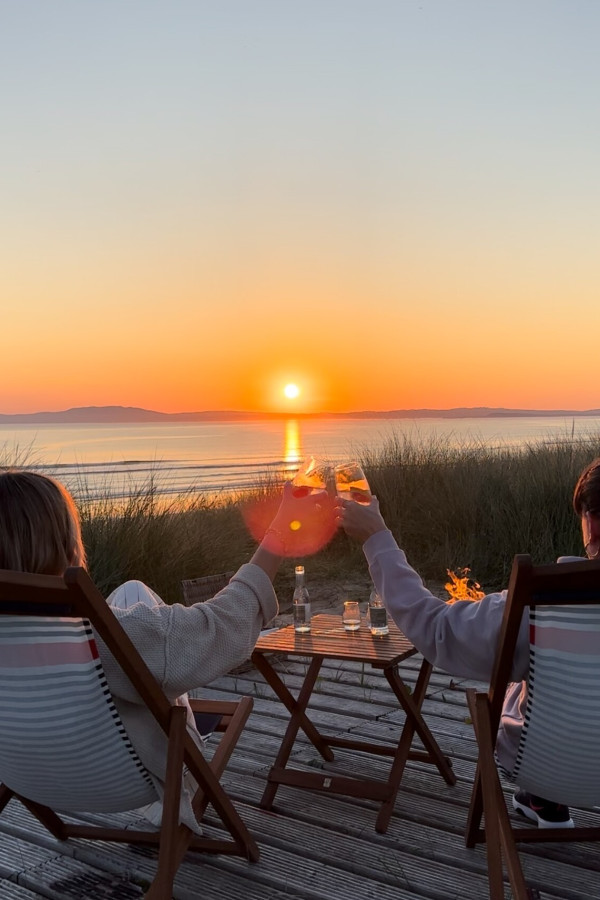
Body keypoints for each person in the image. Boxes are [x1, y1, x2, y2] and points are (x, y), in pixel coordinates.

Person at [0, 468, 323, 830]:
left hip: (28, 775)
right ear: (65, 544)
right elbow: (222, 625)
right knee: (167, 646)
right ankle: (174, 699)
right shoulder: (100, 635)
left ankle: (164, 681)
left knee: (132, 592)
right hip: (125, 779)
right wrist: (280, 530)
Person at [336, 456, 600, 830]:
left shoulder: (543, 605)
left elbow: (434, 628)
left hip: (547, 764)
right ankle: (543, 801)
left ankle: (546, 795)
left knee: (528, 682)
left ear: (590, 523)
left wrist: (376, 537)